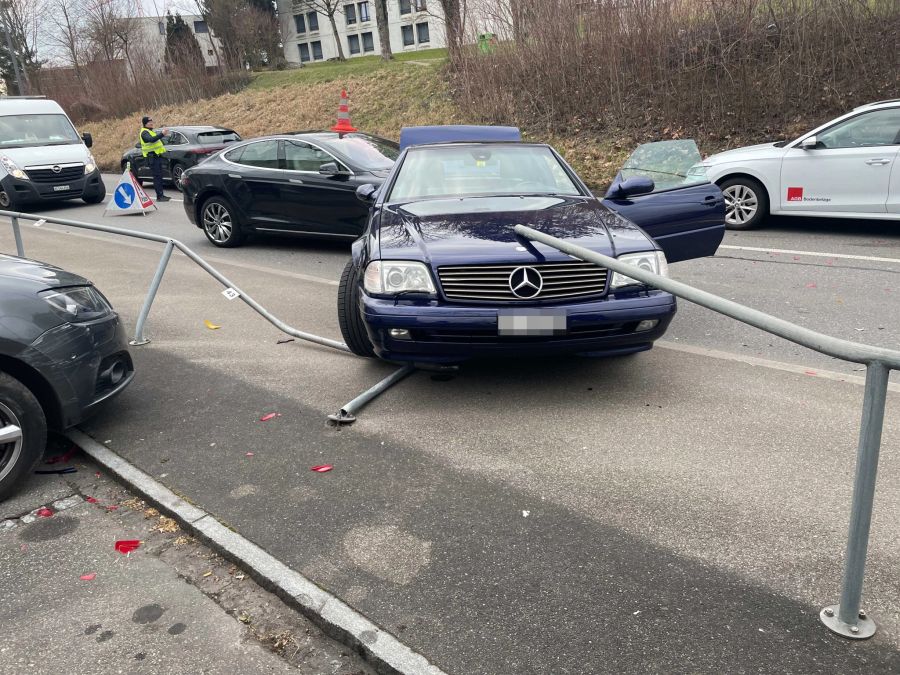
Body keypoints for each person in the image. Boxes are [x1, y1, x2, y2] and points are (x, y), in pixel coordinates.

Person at [139, 116, 171, 202]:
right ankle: (159, 196)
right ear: (145, 123)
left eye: (152, 121)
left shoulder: (150, 131)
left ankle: (161, 195)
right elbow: (151, 140)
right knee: (157, 177)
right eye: (150, 122)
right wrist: (162, 134)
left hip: (156, 157)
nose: (152, 123)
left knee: (159, 176)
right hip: (152, 158)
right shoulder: (144, 133)